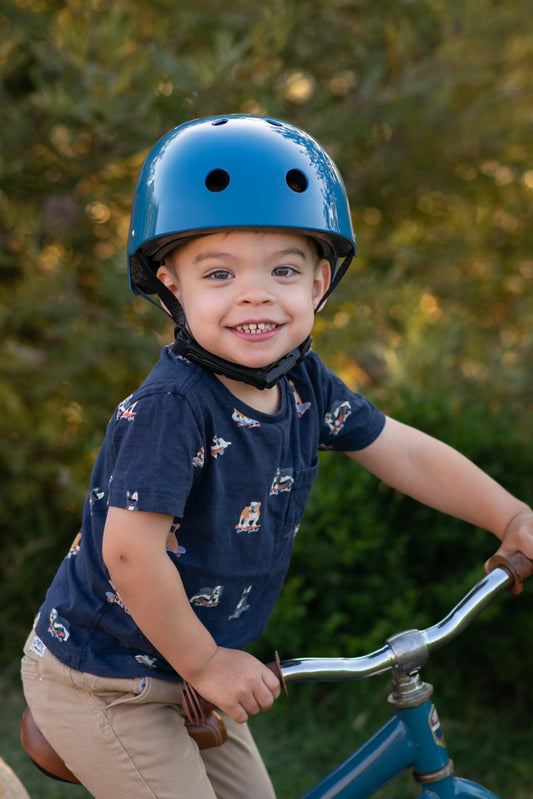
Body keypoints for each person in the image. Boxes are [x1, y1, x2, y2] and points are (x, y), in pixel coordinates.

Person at [21, 114, 533, 799]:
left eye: (283, 269)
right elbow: (128, 554)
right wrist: (206, 663)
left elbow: (402, 452)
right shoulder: (173, 408)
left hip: (197, 675)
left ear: (319, 282)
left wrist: (508, 514)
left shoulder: (304, 383)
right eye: (220, 272)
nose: (255, 293)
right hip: (109, 677)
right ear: (171, 283)